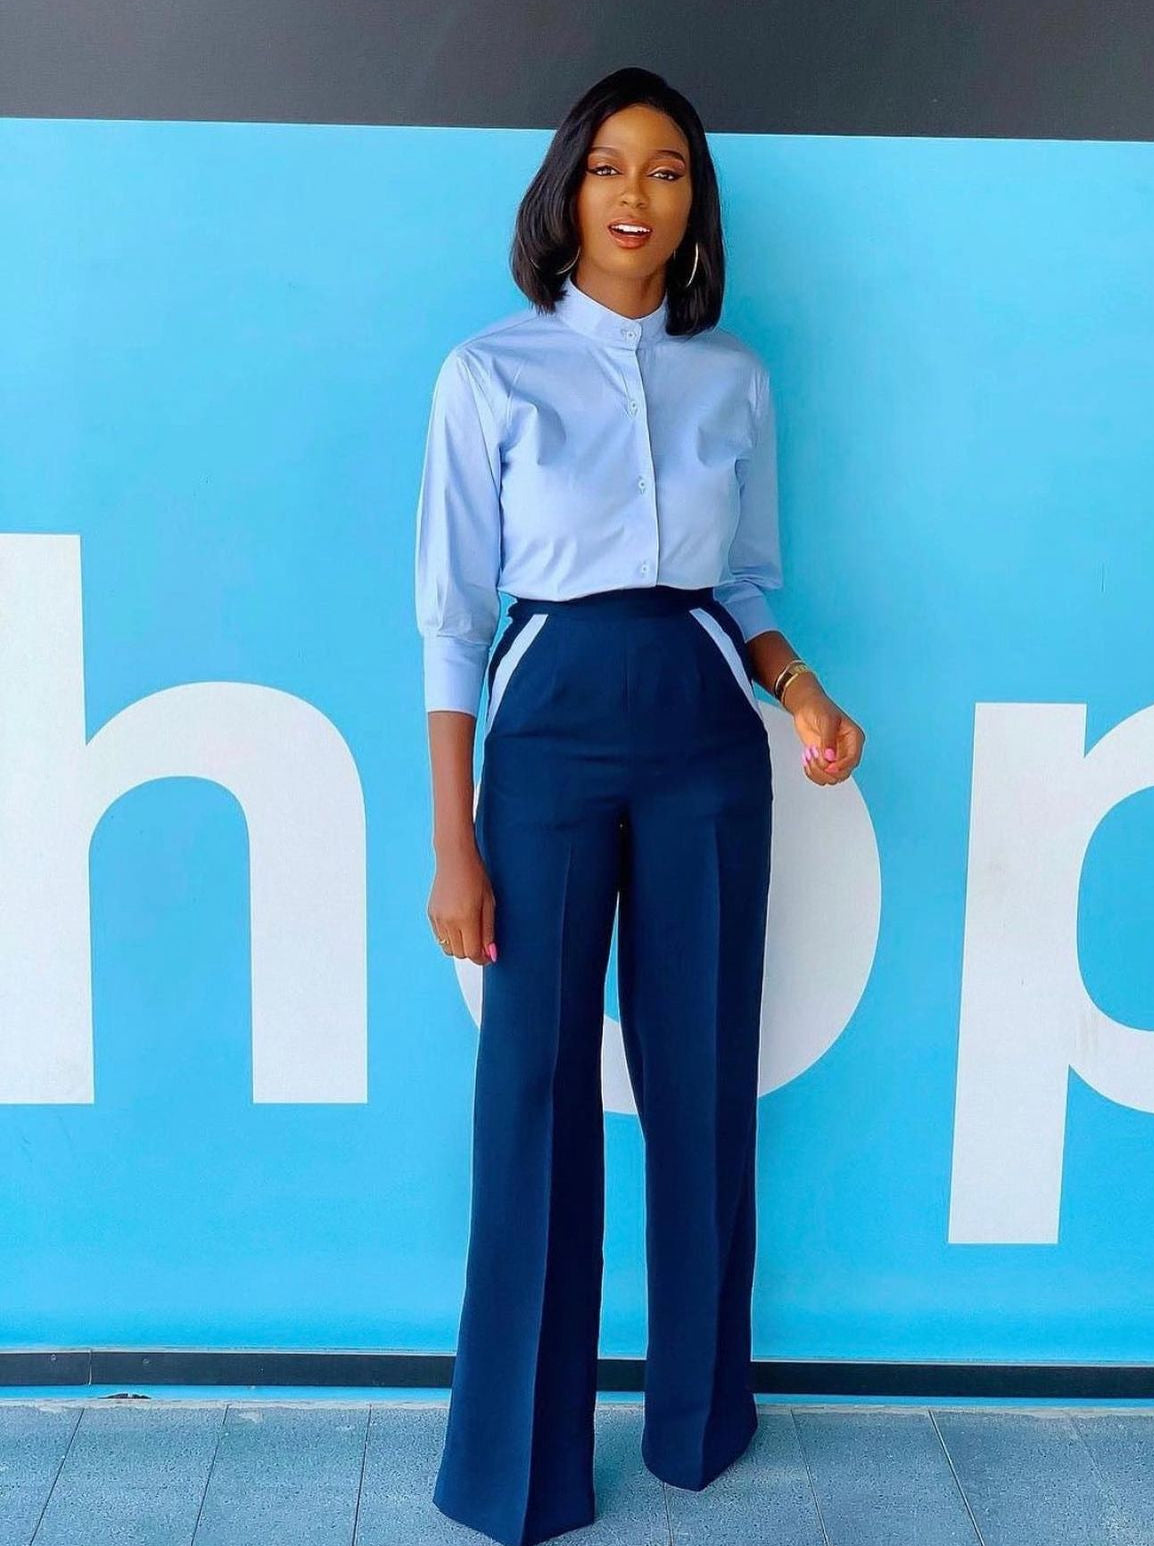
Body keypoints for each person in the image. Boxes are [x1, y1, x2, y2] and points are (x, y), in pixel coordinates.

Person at [414, 65, 865, 1546]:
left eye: (667, 171)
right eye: (610, 165)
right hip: (545, 729)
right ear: (567, 189)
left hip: (700, 733)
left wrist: (798, 693)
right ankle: (517, 1470)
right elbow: (449, 621)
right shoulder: (490, 372)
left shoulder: (732, 377)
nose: (635, 193)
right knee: (534, 1097)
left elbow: (744, 591)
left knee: (701, 1078)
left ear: (692, 205)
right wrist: (452, 843)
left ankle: (696, 1423)